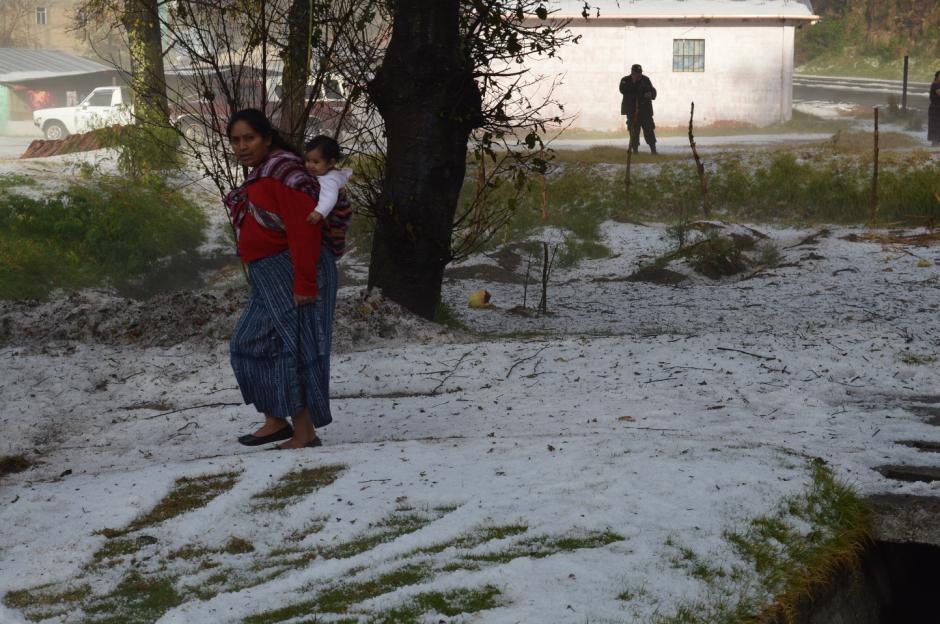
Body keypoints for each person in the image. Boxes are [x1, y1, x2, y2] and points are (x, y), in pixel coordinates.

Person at [223, 109, 338, 450]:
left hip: (295, 272)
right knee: (249, 343)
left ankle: (304, 433)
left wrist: (305, 283)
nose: (241, 146)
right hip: (269, 275)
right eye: (235, 140)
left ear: (267, 138)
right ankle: (276, 419)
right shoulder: (264, 173)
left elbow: (305, 230)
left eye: (249, 138)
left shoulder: (284, 173)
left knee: (294, 349)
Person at [303, 135, 354, 256]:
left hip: (336, 216)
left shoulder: (329, 179)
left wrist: (319, 212)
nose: (310, 165)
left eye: (316, 162)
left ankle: (334, 254)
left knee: (333, 237)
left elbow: (329, 198)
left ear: (331, 163)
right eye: (308, 160)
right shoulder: (329, 172)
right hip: (338, 213)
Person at [619, 63, 657, 154]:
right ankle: (635, 150)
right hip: (632, 111)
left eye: (640, 73)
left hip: (645, 110)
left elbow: (652, 90)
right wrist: (633, 82)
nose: (639, 75)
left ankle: (653, 150)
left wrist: (651, 94)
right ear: (632, 72)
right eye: (637, 73)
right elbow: (623, 90)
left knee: (649, 129)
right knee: (634, 131)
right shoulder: (625, 80)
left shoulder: (645, 79)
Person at [929, 70, 940, 148]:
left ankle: (937, 142)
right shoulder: (935, 84)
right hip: (935, 109)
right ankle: (935, 143)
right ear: (937, 76)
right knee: (935, 125)